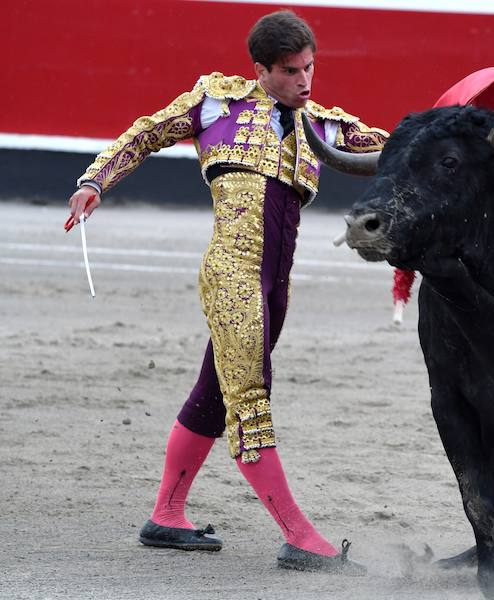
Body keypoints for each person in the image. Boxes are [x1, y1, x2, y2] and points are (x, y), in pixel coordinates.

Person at [67, 10, 387, 574]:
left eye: (310, 68)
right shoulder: (218, 103)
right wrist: (95, 180)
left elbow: (402, 151)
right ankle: (299, 536)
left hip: (276, 286)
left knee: (214, 395)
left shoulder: (327, 126)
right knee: (250, 402)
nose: (305, 82)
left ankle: (166, 515)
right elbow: (146, 132)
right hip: (234, 276)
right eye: (291, 72)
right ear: (261, 70)